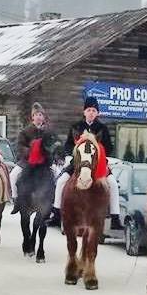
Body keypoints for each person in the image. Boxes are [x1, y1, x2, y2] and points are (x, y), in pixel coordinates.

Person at [51, 96, 123, 229]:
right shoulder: (76, 127)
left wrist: (100, 152)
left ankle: (115, 217)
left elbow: (109, 148)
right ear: (84, 112)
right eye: (89, 110)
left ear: (97, 113)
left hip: (98, 163)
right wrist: (73, 153)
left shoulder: (102, 128)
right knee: (61, 181)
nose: (91, 112)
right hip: (78, 162)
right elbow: (67, 145)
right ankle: (56, 214)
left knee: (112, 183)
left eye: (94, 110)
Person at [10, 102, 48, 212]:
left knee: (57, 175)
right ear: (32, 117)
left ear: (43, 117)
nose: (39, 117)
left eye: (41, 115)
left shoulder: (47, 131)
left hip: (44, 162)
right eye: (36, 115)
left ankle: (53, 204)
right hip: (28, 161)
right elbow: (20, 146)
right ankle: (16, 199)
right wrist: (31, 151)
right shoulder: (25, 131)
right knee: (13, 175)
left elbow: (53, 144)